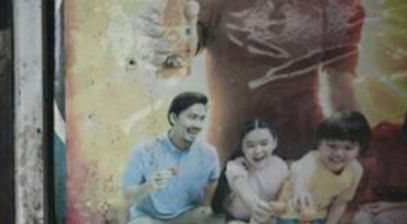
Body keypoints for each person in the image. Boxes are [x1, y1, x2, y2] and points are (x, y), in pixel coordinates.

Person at [135, 0, 365, 162]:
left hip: (305, 160)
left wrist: (358, 159)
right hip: (233, 157)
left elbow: (341, 93)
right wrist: (165, 45)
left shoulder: (339, 5)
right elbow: (176, 57)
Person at [121, 91, 221, 224]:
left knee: (220, 221)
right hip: (150, 219)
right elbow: (127, 194)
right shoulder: (144, 151)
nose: (197, 125)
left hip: (188, 217)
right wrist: (148, 186)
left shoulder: (208, 154)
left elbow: (214, 194)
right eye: (192, 117)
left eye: (201, 119)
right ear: (174, 117)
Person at [275, 110, 370, 224]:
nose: (338, 154)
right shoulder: (311, 160)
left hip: (321, 214)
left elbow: (340, 203)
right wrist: (301, 191)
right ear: (319, 144)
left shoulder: (356, 170)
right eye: (332, 146)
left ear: (360, 149)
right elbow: (299, 173)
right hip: (292, 215)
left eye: (348, 148)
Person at [351, 110, 407, 224]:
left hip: (399, 207)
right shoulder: (385, 135)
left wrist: (390, 206)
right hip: (380, 200)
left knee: (386, 221)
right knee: (360, 221)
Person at [212, 118, 288, 224]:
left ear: (274, 143)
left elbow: (286, 196)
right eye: (250, 145)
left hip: (268, 221)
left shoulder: (280, 165)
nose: (258, 151)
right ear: (242, 147)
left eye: (264, 143)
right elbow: (240, 185)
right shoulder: (236, 166)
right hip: (235, 223)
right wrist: (253, 204)